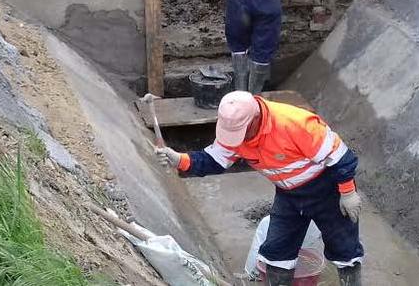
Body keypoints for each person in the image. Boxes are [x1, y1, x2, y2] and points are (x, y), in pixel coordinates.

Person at [156, 91, 364, 286]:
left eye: (241, 132)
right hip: (288, 195)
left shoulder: (294, 124)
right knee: (276, 251)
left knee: (344, 248)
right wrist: (181, 160)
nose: (238, 139)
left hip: (326, 190)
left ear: (255, 119)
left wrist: (347, 192)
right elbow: (214, 159)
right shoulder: (235, 129)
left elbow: (341, 156)